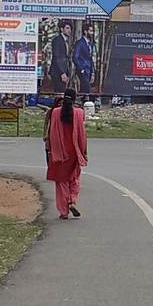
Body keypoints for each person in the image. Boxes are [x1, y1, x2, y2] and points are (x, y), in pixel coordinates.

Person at [44, 88, 88, 220]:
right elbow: (82, 135)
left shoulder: (55, 112)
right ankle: (72, 200)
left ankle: (63, 212)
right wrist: (84, 151)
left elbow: (50, 133)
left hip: (59, 152)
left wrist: (50, 149)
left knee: (61, 181)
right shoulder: (80, 113)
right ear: (75, 99)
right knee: (74, 178)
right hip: (74, 151)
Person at [48, 20, 73, 93]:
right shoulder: (57, 40)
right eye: (67, 28)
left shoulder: (66, 41)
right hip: (57, 72)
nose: (69, 30)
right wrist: (62, 73)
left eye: (70, 29)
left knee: (62, 92)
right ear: (62, 29)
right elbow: (57, 57)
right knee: (59, 93)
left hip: (63, 71)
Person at [72, 22, 96, 96]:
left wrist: (92, 73)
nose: (92, 33)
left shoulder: (91, 44)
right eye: (90, 31)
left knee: (87, 91)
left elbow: (90, 58)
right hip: (83, 70)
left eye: (92, 31)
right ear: (85, 31)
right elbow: (75, 57)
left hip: (89, 70)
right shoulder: (80, 43)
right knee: (84, 91)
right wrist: (81, 69)